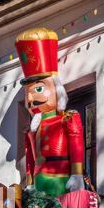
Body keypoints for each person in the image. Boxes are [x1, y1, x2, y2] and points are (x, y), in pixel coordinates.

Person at [15, 27, 84, 198]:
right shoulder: (32, 129)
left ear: (56, 90)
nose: (31, 98)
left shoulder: (67, 118)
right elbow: (30, 159)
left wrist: (77, 173)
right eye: (27, 93)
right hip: (39, 181)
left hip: (59, 177)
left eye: (38, 88)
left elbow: (76, 145)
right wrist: (29, 183)